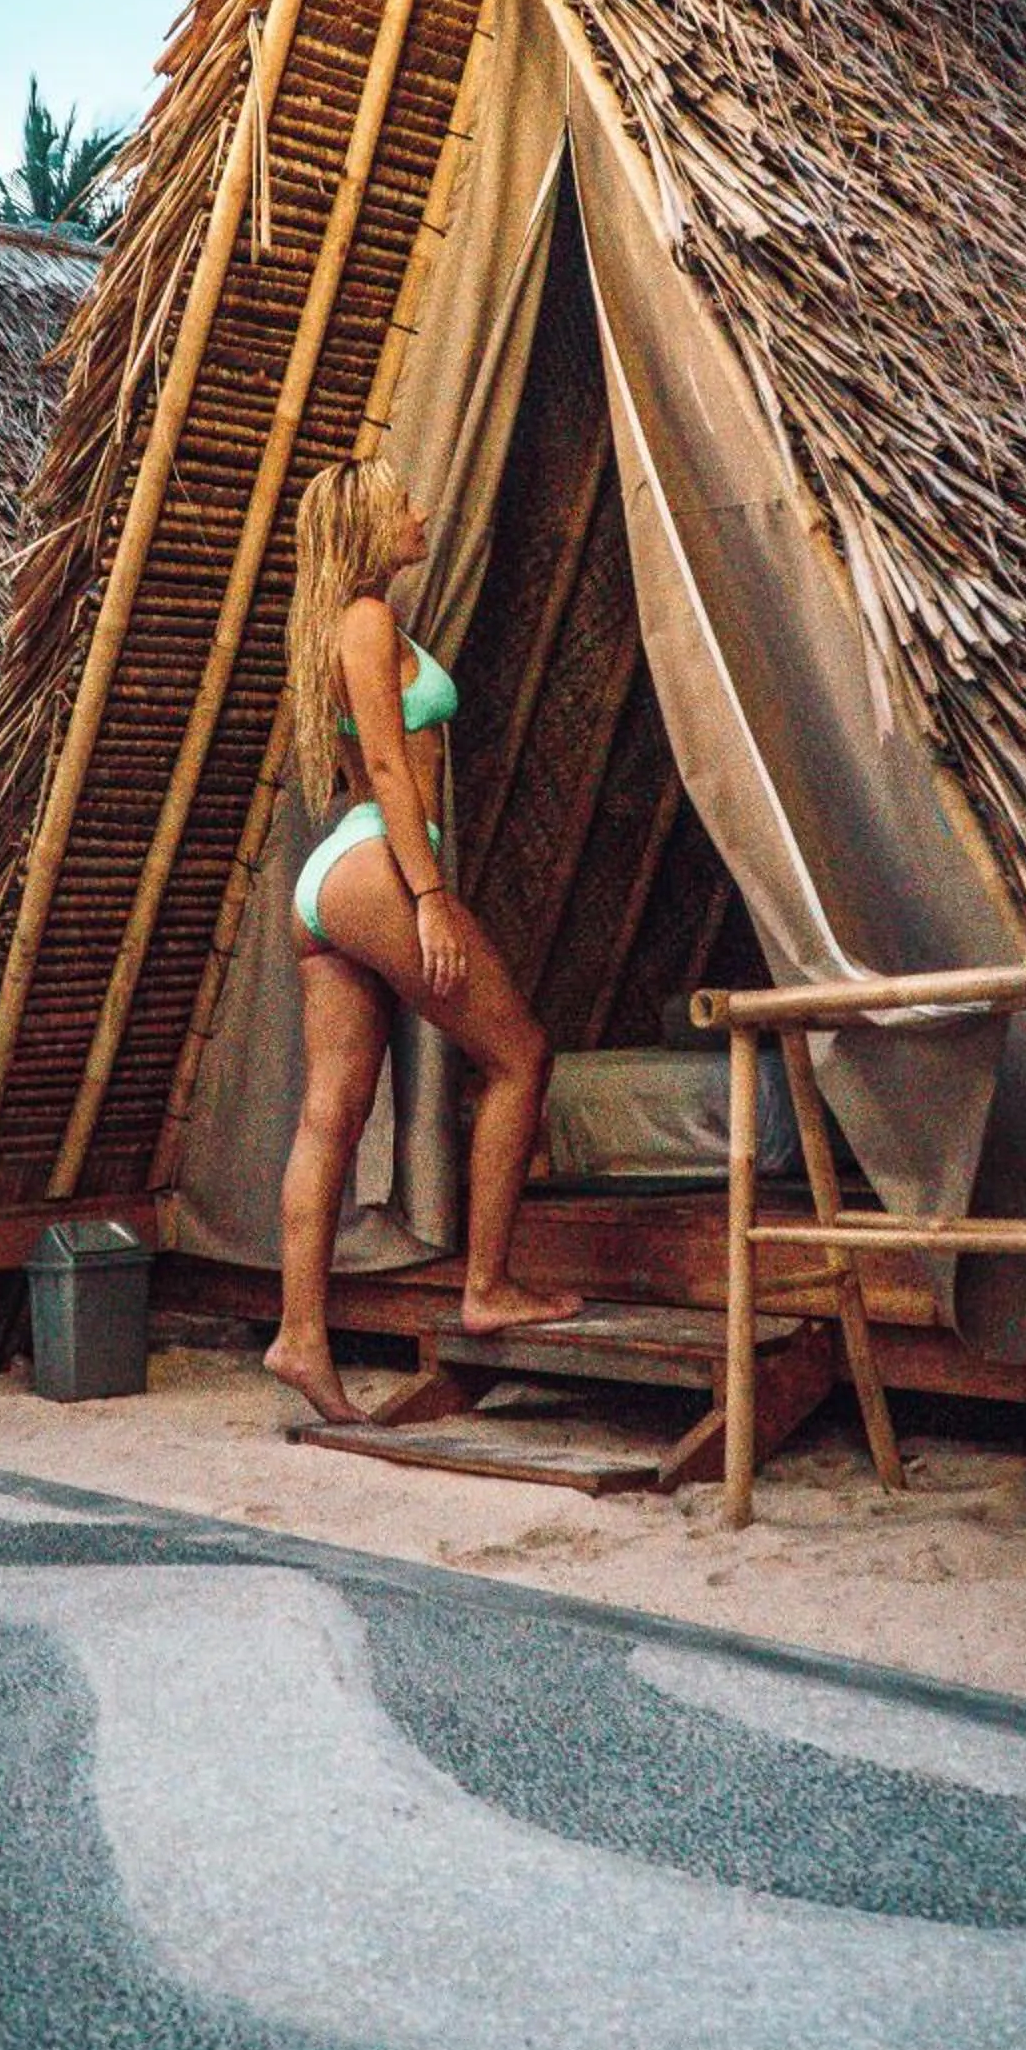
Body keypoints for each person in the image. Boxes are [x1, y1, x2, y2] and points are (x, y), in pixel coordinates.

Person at [264, 455, 580, 1424]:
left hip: (334, 880)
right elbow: (394, 775)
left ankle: (299, 1338)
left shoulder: (344, 623)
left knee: (329, 1116)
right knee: (520, 1057)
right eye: (403, 501)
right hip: (378, 868)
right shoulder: (365, 621)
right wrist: (432, 897)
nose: (421, 510)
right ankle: (485, 1285)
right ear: (366, 526)